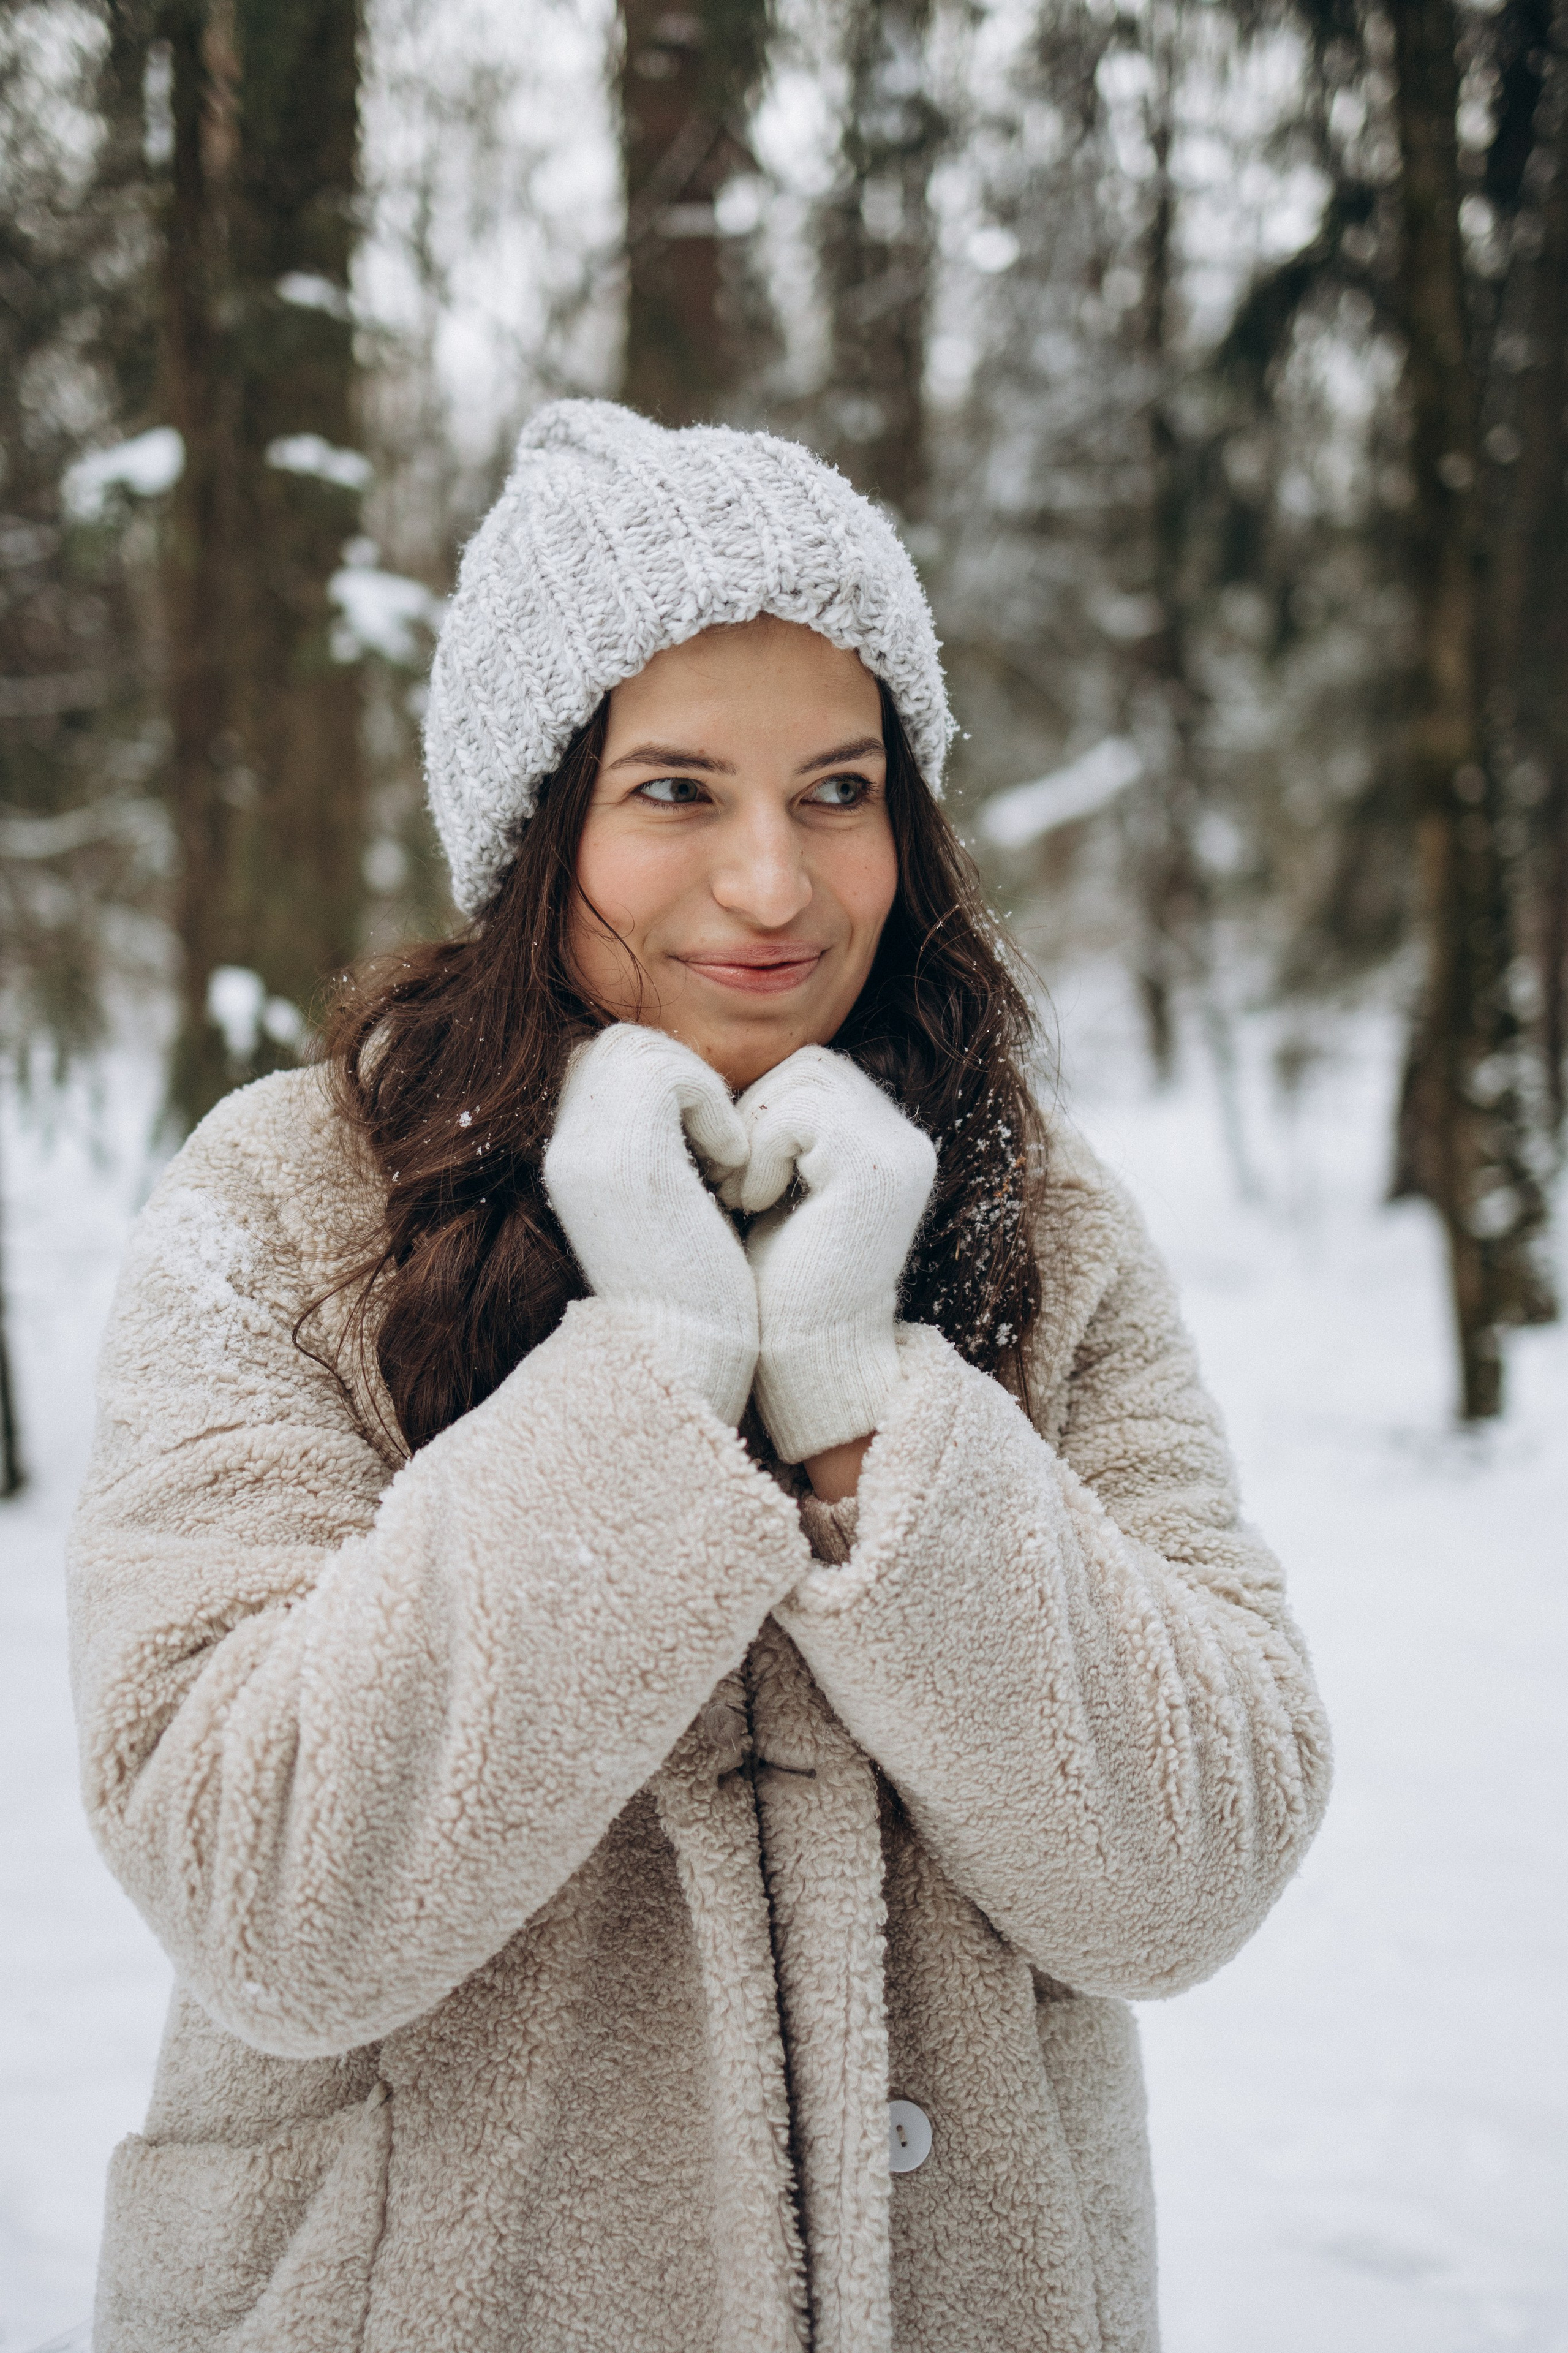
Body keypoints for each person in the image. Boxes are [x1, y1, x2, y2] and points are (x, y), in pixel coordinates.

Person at [69, 399, 1330, 2353]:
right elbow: (259, 1886)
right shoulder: (289, 1203)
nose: (775, 884)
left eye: (841, 790)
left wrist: (857, 1402)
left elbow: (1194, 1865)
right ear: (532, 822)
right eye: (676, 791)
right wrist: (650, 1380)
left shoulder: (1039, 1221)